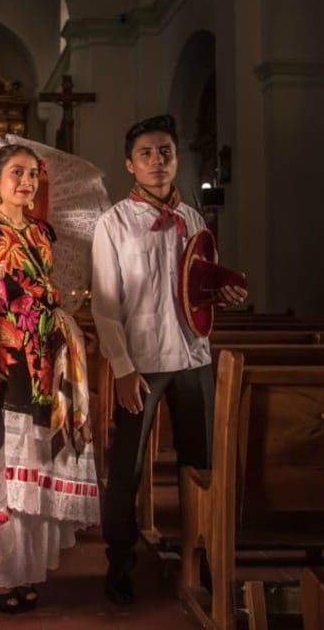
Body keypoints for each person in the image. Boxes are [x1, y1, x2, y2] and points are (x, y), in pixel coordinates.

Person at [90, 114, 247, 604]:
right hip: (142, 360)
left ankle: (201, 556)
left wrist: (224, 292)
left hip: (194, 356)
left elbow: (195, 287)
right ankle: (120, 559)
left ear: (176, 159)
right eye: (146, 154)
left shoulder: (193, 218)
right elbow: (105, 303)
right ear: (129, 165)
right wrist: (121, 367)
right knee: (129, 465)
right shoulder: (112, 223)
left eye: (165, 153)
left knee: (200, 464)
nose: (157, 162)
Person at [0, 144, 100, 614]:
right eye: (16, 172)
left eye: (33, 174)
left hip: (40, 359)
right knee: (1, 455)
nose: (26, 182)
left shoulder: (40, 233)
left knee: (33, 459)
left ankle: (26, 568)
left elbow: (44, 293)